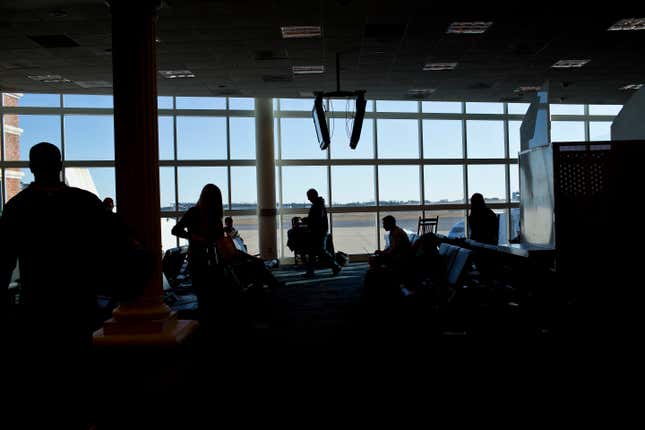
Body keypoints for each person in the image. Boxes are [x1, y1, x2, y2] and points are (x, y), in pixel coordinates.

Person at [0, 142, 133, 428]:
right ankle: (85, 417)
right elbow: (120, 239)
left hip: (39, 300)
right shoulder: (84, 203)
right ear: (59, 165)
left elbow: (4, 259)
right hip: (78, 299)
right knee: (80, 361)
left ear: (32, 168)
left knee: (44, 366)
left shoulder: (18, 208)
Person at [171, 184, 233, 327]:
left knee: (205, 296)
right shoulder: (210, 215)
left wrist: (193, 237)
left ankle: (204, 326)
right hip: (206, 259)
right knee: (210, 296)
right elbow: (176, 230)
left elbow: (176, 230)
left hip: (203, 259)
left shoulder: (195, 213)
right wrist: (194, 237)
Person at [301, 188, 340, 277]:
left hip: (319, 232)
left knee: (321, 251)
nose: (308, 199)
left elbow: (316, 219)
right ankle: (311, 271)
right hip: (318, 231)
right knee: (314, 251)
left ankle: (336, 266)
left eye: (309, 197)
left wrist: (307, 220)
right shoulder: (318, 204)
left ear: (313, 195)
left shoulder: (318, 205)